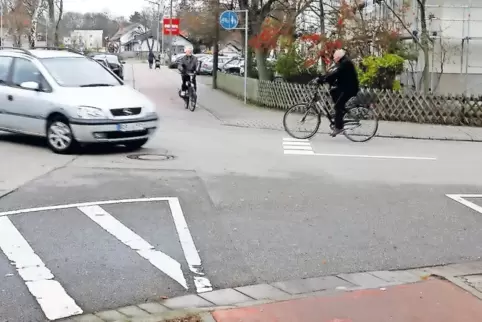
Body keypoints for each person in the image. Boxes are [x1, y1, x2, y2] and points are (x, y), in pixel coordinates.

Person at [316, 49, 359, 137]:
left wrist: (323, 80)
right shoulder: (342, 63)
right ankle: (339, 114)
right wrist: (323, 78)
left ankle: (338, 127)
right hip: (344, 87)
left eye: (335, 57)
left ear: (339, 57)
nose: (334, 58)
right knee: (333, 92)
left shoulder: (345, 63)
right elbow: (332, 73)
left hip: (349, 89)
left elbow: (336, 73)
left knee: (338, 106)